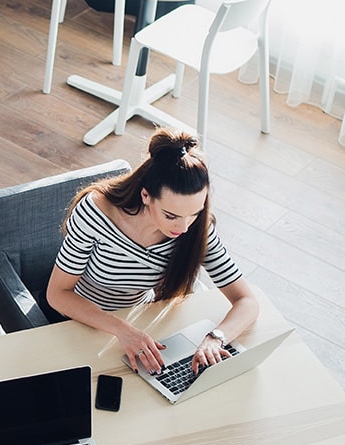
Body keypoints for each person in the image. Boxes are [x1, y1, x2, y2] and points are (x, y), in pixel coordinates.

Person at [45, 128, 259, 375]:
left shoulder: (195, 229)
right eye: (171, 215)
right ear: (146, 195)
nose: (184, 226)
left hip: (138, 320)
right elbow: (58, 294)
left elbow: (247, 301)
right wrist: (121, 329)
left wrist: (217, 338)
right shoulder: (96, 214)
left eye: (195, 212)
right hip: (79, 319)